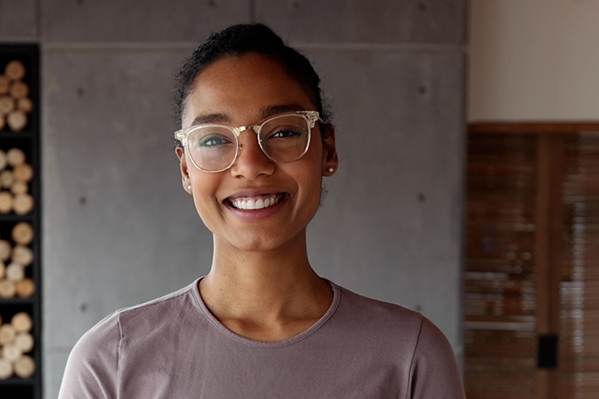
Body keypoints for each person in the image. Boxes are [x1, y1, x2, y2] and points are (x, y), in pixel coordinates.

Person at [58, 23, 465, 398]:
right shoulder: (110, 361)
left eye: (284, 131)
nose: (251, 164)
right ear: (186, 168)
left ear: (328, 149)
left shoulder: (410, 355)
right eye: (215, 139)